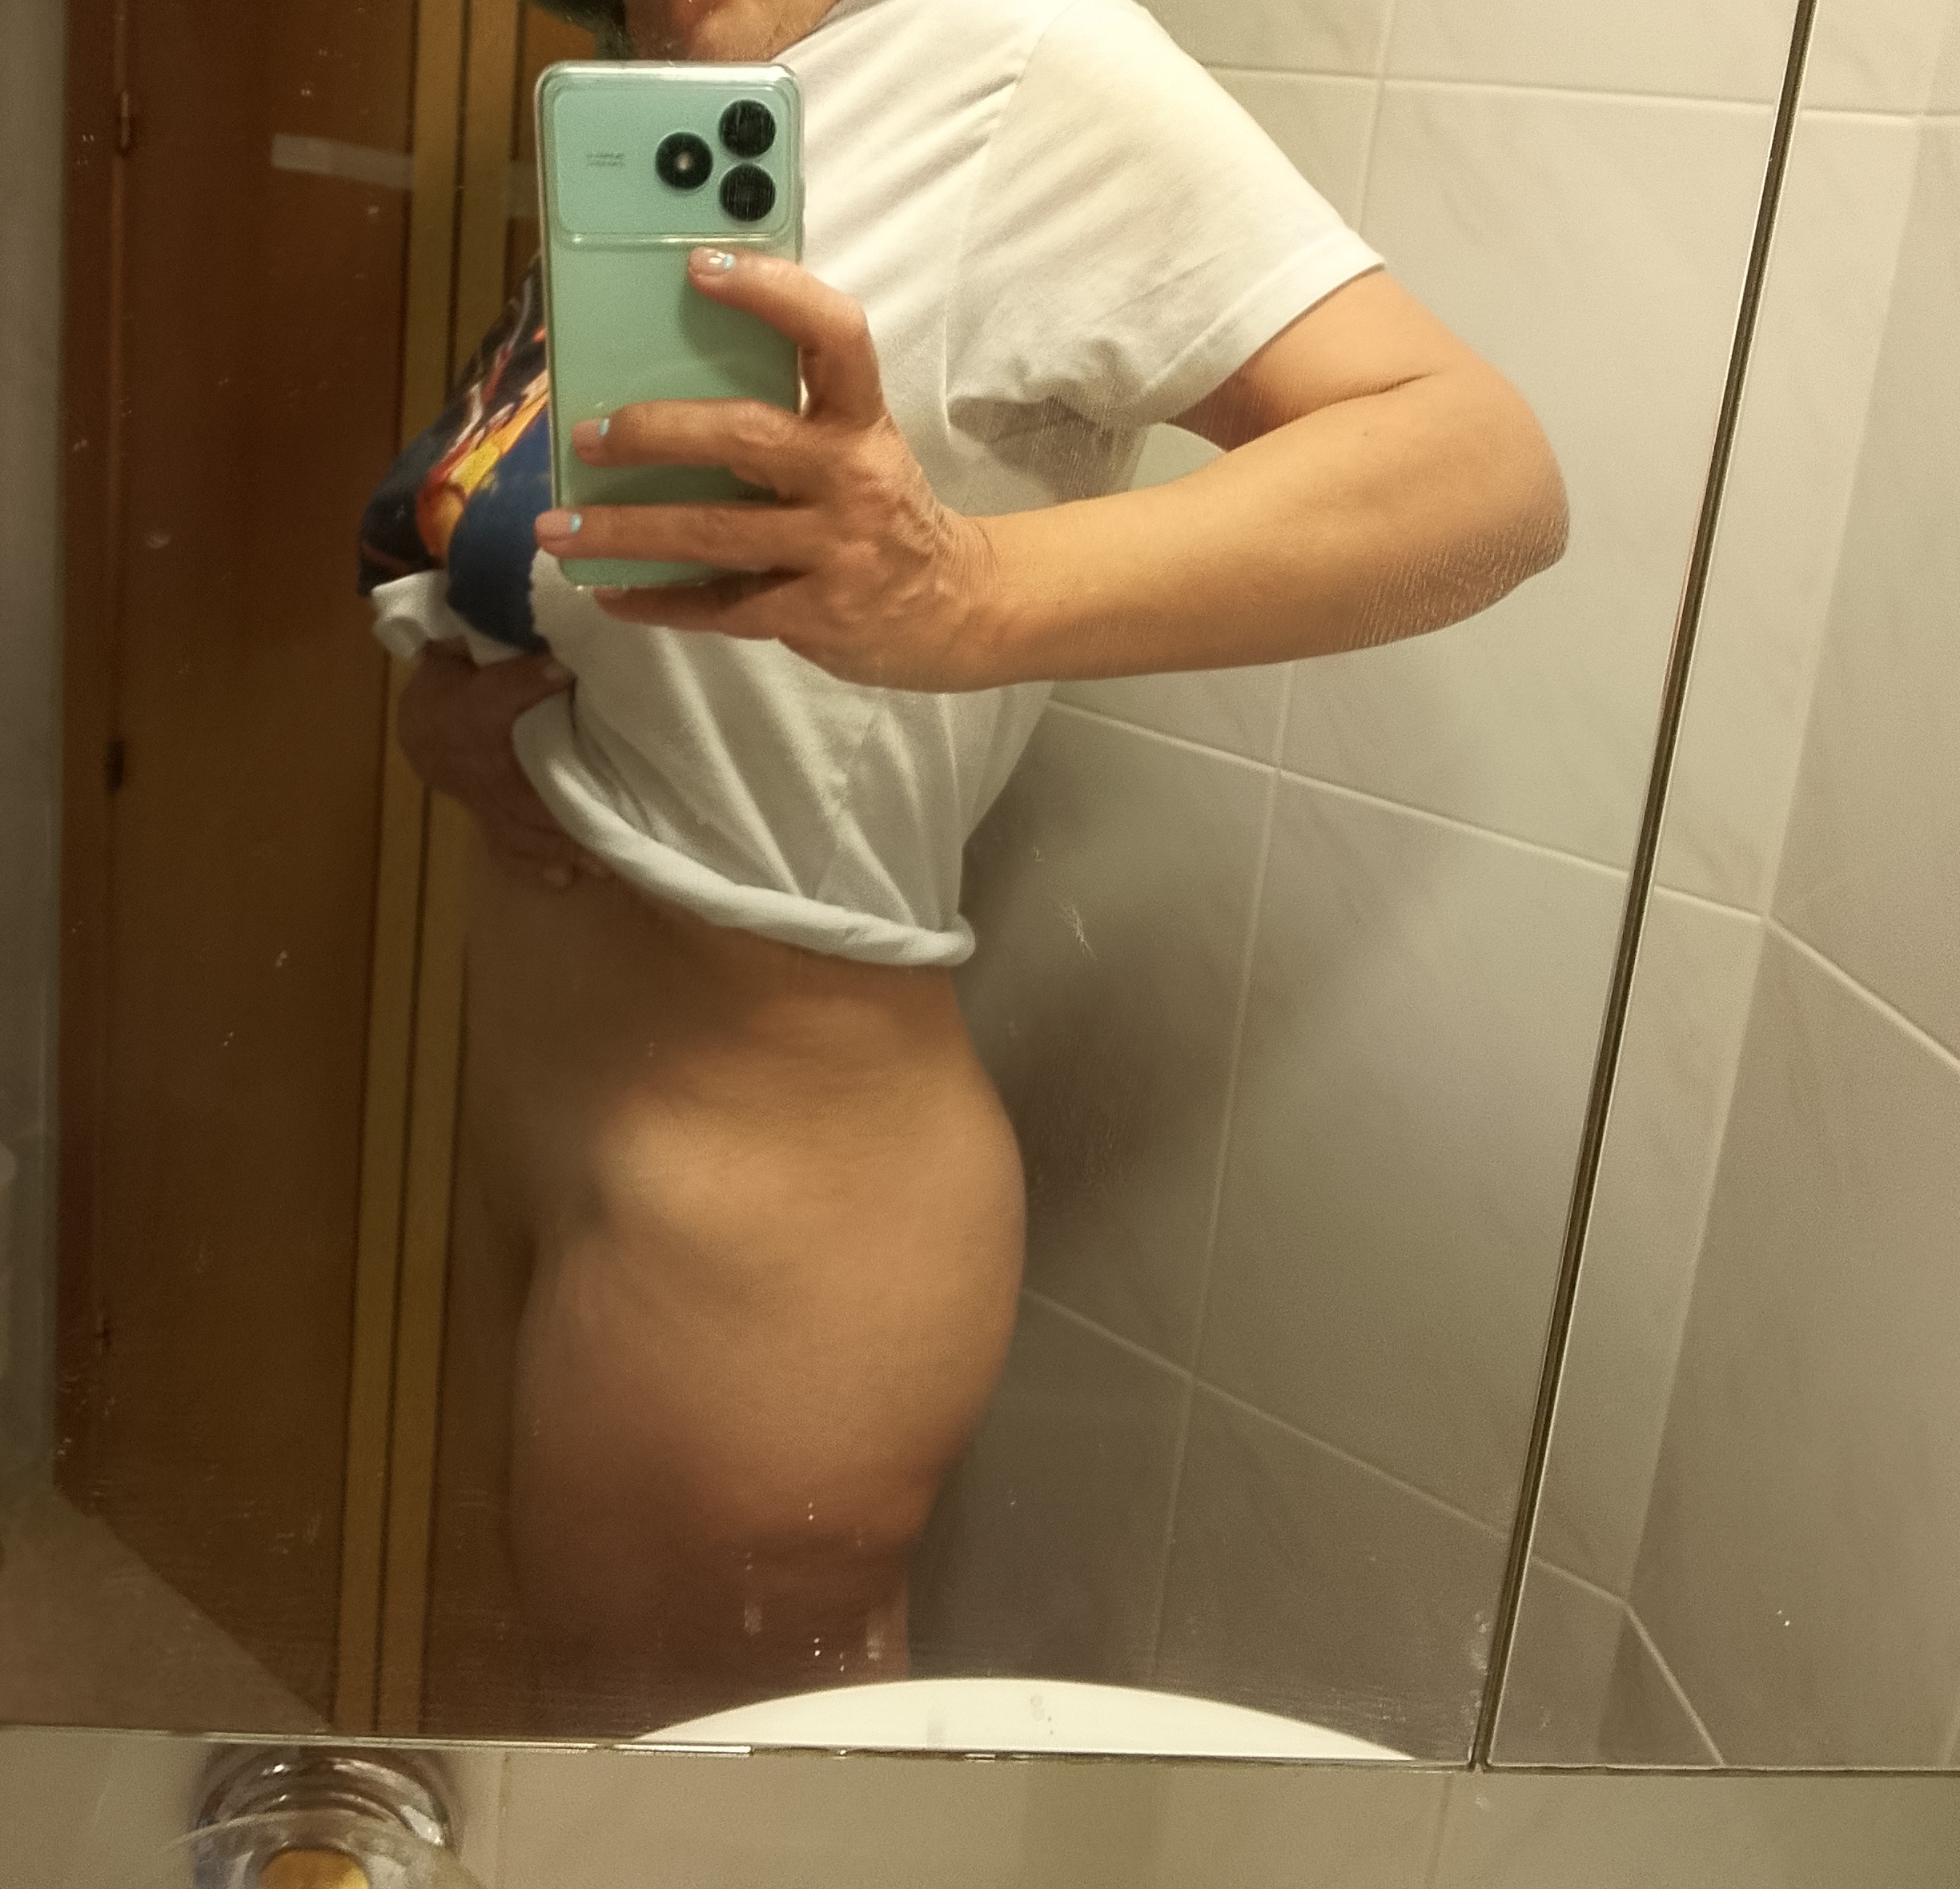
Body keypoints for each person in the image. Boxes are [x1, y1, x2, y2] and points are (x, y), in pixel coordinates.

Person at [359, 0, 1568, 1731]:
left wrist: (964, 589)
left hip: (766, 1201)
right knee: (604, 1752)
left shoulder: (1012, 60)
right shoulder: (679, 104)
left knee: (697, 1815)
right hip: (565, 1142)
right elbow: (623, 591)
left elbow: (1483, 478)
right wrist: (458, 712)